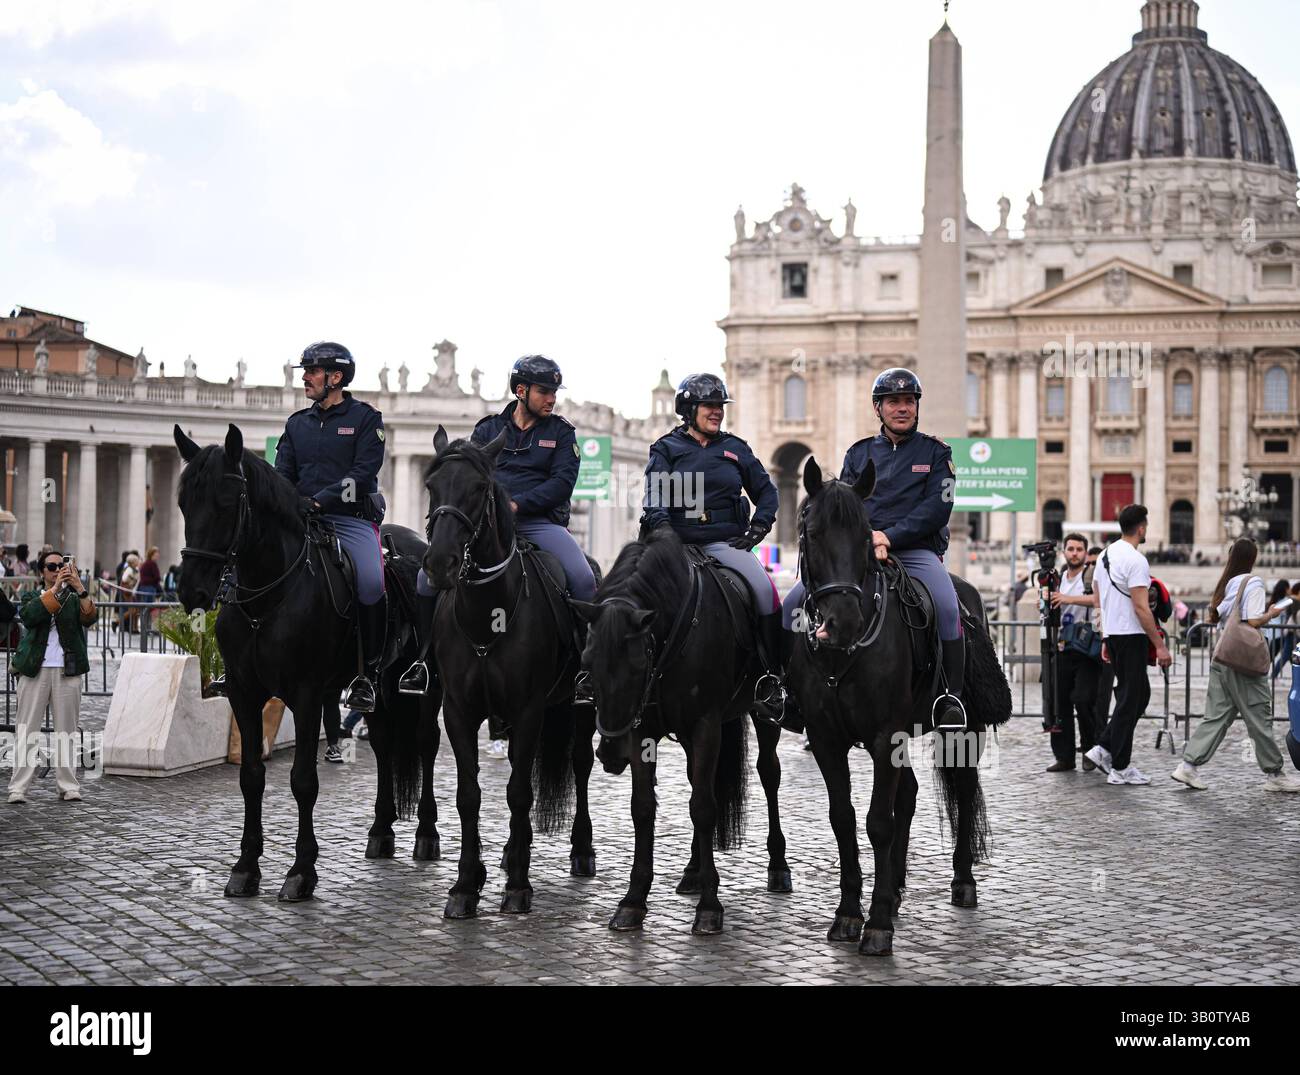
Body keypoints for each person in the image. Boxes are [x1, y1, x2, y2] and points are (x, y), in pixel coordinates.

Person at [399, 355, 597, 698]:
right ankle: (423, 662)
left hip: (539, 524)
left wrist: (519, 504)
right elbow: (470, 479)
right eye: (544, 391)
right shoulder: (488, 429)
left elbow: (562, 483)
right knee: (424, 579)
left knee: (583, 578)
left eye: (554, 392)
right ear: (521, 391)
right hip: (488, 525)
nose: (551, 398)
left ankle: (585, 669)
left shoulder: (563, 434)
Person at [781, 367, 966, 729]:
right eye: (893, 402)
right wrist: (865, 538)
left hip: (914, 551)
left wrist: (890, 537)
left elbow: (937, 509)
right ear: (878, 408)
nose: (902, 408)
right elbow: (845, 505)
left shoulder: (938, 453)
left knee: (946, 606)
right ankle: (792, 694)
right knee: (791, 604)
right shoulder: (859, 453)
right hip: (861, 551)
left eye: (909, 401)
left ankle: (949, 697)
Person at [641, 372, 783, 717]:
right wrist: (663, 534)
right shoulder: (666, 449)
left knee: (766, 593)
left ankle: (771, 679)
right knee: (627, 597)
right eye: (710, 405)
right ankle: (629, 679)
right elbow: (655, 498)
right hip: (674, 544)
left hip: (724, 543)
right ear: (689, 410)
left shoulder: (736, 449)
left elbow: (767, 493)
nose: (717, 411)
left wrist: (758, 527)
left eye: (721, 406)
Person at [273, 341, 387, 712]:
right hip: (301, 519)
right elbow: (283, 474)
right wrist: (284, 501)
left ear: (335, 378)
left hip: (349, 519)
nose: (304, 378)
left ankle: (366, 674)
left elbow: (362, 474)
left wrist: (321, 499)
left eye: (311, 372)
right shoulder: (296, 424)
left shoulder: (366, 419)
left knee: (371, 582)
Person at [1171, 539, 1300, 792]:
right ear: (1252, 558)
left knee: (1216, 717)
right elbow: (1252, 620)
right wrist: (1271, 614)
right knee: (1259, 714)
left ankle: (1187, 766)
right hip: (1243, 663)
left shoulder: (1228, 584)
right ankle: (1275, 774)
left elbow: (1222, 615)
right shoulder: (1253, 582)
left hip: (1223, 659)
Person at [1085, 504, 1172, 785]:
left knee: (1137, 695)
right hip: (1132, 636)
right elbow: (1141, 608)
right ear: (1142, 527)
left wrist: (1104, 635)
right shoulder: (1137, 561)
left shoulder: (1105, 556)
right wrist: (1159, 645)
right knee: (1129, 699)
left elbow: (1098, 600)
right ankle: (1120, 766)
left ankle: (1105, 748)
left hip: (1114, 634)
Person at [7, 550, 97, 803]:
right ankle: (18, 788)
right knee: (26, 731)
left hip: (67, 670)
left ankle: (68, 785)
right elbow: (30, 615)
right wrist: (56, 589)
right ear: (41, 571)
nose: (57, 569)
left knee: (66, 732)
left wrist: (80, 587)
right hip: (35, 670)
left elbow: (90, 617)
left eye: (62, 565)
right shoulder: (31, 596)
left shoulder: (74, 596)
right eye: (51, 566)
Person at [1046, 532, 1102, 772]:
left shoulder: (1092, 576)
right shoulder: (1057, 579)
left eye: (1079, 549)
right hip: (1062, 646)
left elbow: (1098, 600)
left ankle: (1090, 749)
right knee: (1060, 704)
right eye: (1071, 549)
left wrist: (1067, 598)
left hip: (1087, 648)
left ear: (1085, 553)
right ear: (1064, 552)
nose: (1075, 553)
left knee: (1083, 699)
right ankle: (1064, 757)